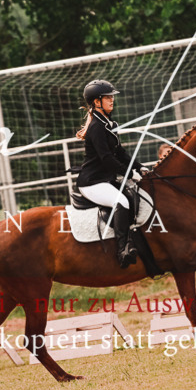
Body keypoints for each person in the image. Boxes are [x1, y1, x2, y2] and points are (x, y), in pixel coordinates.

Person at [76, 79, 149, 268]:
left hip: (104, 179)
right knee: (121, 201)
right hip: (92, 183)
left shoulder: (109, 123)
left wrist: (138, 167)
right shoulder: (96, 127)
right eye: (107, 97)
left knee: (132, 196)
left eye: (112, 97)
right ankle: (122, 250)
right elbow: (106, 159)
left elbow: (120, 152)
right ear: (96, 102)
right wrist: (129, 174)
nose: (111, 100)